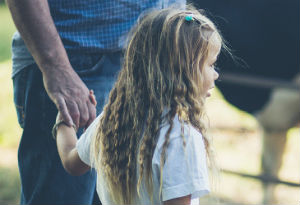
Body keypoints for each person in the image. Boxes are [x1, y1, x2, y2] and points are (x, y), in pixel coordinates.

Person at [6, 0, 185, 204]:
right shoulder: (187, 137)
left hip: (157, 58)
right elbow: (73, 162)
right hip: (76, 61)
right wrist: (56, 68)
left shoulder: (182, 132)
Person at [55, 7, 223, 205]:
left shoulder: (110, 122)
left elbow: (70, 161)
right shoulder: (181, 139)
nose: (216, 74)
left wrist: (63, 122)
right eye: (210, 65)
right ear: (181, 72)